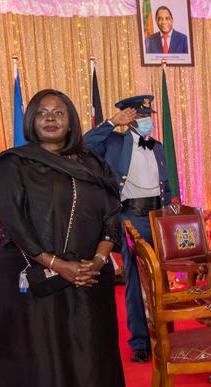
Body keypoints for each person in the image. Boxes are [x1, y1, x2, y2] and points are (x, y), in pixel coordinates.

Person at [0, 89, 128, 387]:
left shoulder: (92, 163)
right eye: (42, 113)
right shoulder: (12, 164)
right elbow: (13, 223)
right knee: (41, 353)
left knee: (86, 350)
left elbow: (112, 213)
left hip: (88, 277)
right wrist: (57, 264)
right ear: (31, 121)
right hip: (30, 276)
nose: (51, 118)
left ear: (71, 122)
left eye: (59, 113)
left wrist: (97, 260)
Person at [84, 95, 172, 363]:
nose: (147, 121)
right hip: (132, 217)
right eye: (140, 116)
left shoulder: (156, 147)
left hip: (158, 216)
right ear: (128, 118)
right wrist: (112, 122)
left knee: (162, 278)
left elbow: (165, 183)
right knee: (136, 278)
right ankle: (140, 342)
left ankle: (167, 334)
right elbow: (85, 144)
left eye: (148, 116)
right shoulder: (114, 142)